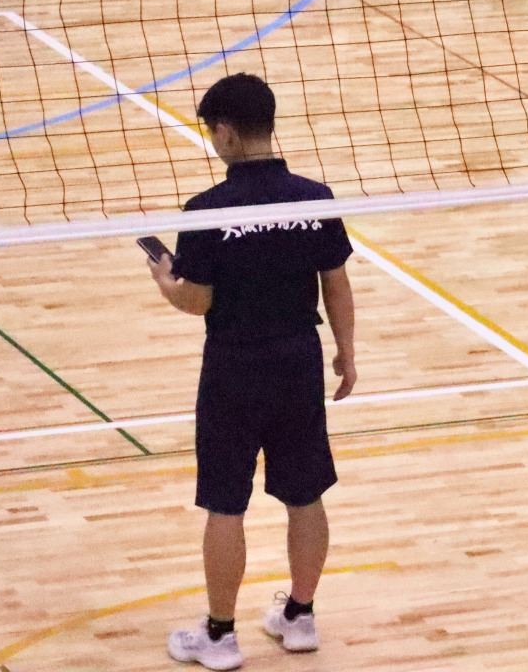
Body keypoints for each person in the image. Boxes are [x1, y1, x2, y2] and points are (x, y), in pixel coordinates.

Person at [148, 73, 356, 670]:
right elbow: (336, 283)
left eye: (212, 133)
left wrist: (166, 281)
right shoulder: (313, 197)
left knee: (225, 503)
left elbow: (198, 301)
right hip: (298, 359)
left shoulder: (205, 211)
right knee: (305, 493)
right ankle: (300, 617)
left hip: (235, 366)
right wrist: (346, 351)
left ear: (227, 134)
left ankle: (220, 637)